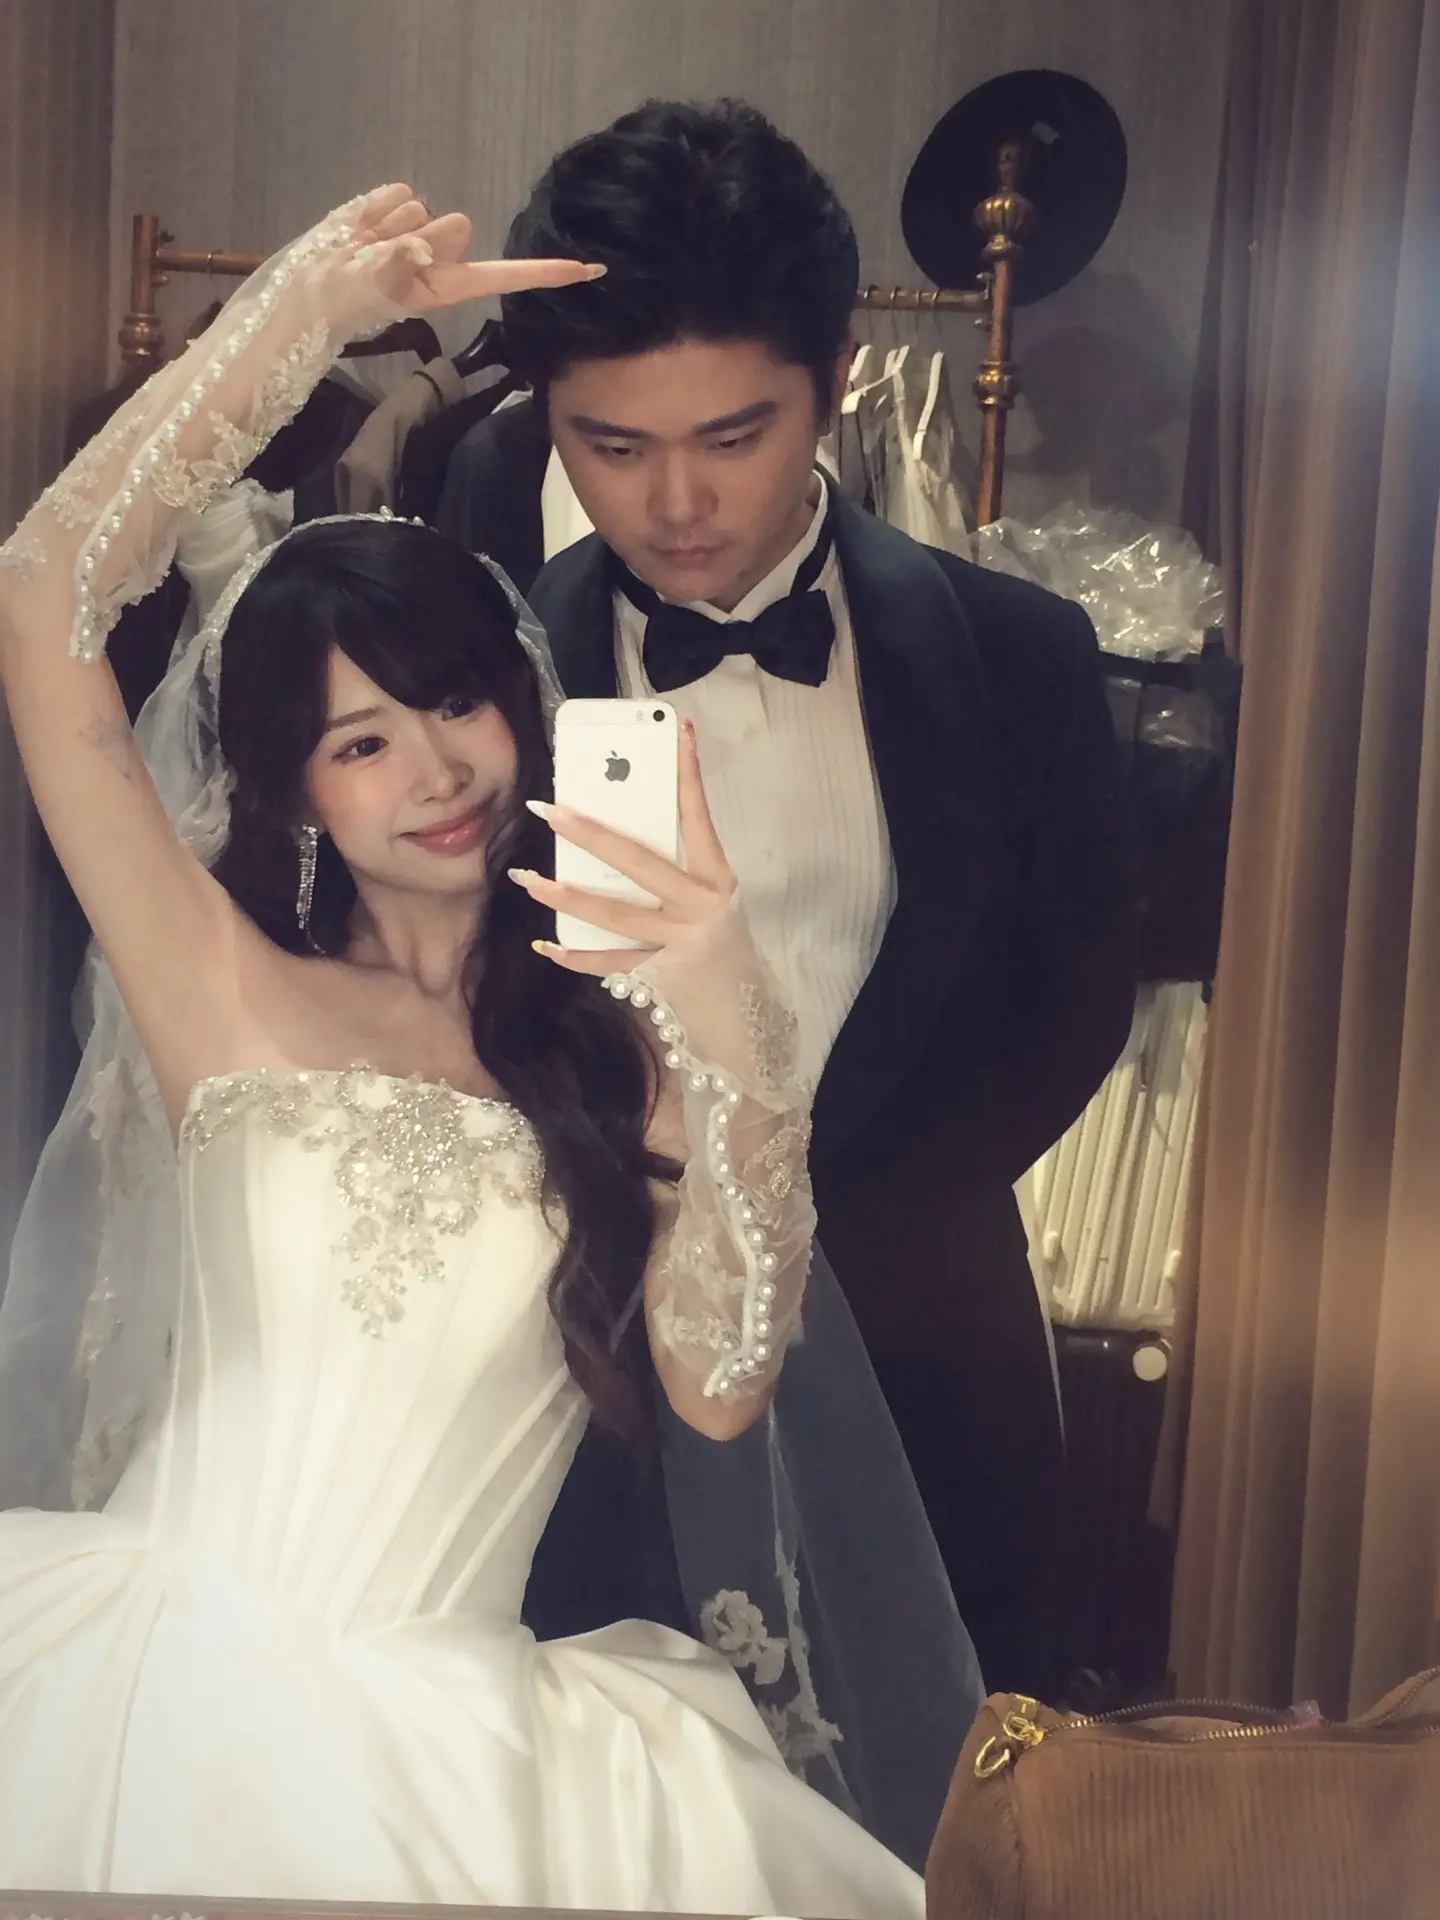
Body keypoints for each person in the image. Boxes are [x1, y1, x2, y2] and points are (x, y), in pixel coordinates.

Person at [0, 185, 927, 1915]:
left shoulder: (624, 1050)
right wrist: (302, 323)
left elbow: (721, 1387)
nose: (432, 772)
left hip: (475, 1734)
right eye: (358, 743)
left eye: (451, 703)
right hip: (150, 1679)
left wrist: (728, 1006)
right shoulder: (213, 982)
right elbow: (42, 595)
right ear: (290, 791)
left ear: (519, 703)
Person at [503, 99, 1137, 1698]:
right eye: (613, 446)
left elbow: (1075, 1001)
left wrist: (835, 1228)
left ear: (838, 377)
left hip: (928, 1352)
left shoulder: (1022, 656)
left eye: (734, 437)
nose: (675, 505)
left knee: (943, 1791)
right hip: (581, 1376)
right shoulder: (489, 669)